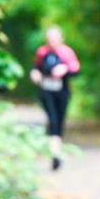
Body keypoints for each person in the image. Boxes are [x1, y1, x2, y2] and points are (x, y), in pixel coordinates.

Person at [30, 27, 80, 170]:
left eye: (55, 38)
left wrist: (65, 70)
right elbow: (36, 68)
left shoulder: (67, 52)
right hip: (46, 91)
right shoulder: (42, 52)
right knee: (52, 119)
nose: (52, 42)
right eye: (50, 39)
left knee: (59, 120)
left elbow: (76, 70)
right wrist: (35, 74)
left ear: (61, 38)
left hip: (62, 92)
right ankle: (55, 153)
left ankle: (56, 149)